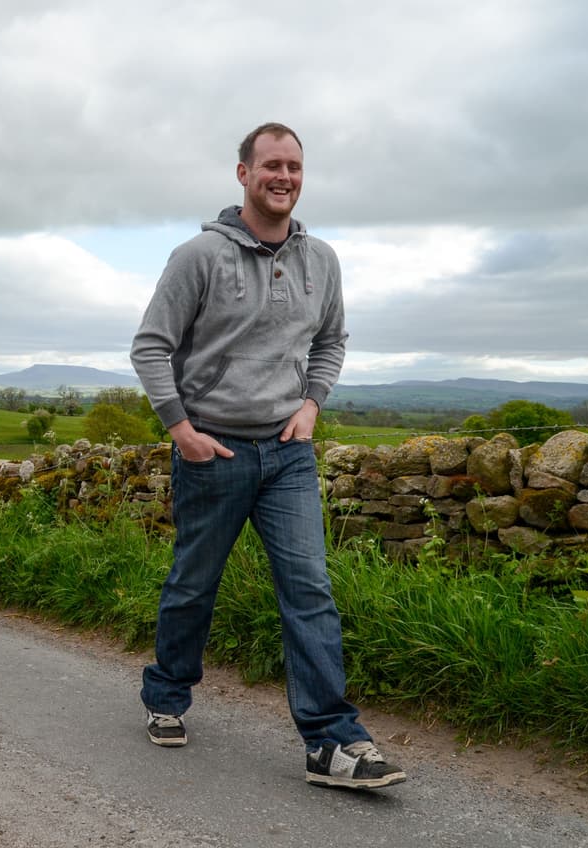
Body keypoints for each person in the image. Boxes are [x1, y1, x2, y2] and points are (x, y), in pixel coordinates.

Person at [129, 122, 406, 790]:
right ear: (243, 174)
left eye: (295, 167)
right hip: (212, 453)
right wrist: (182, 429)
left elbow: (332, 340)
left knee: (308, 590)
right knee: (194, 584)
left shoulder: (323, 261)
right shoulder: (199, 256)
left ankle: (332, 742)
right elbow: (150, 346)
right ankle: (166, 695)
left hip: (288, 456)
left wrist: (312, 404)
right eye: (271, 165)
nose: (284, 177)